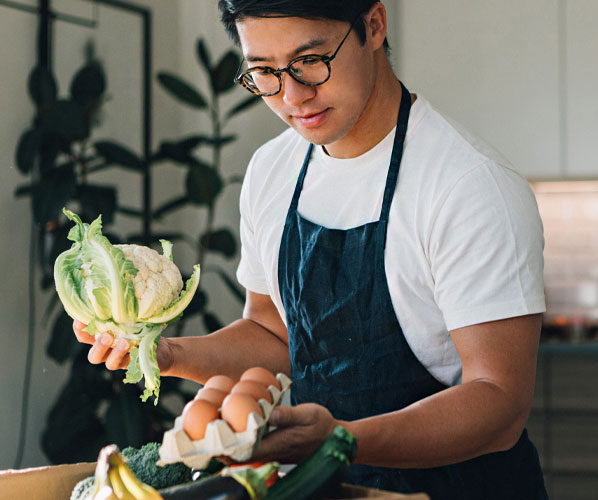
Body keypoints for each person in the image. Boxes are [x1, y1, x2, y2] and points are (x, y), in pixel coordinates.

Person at [73, 1, 547, 498]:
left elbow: (499, 406)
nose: (294, 96)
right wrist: (167, 353)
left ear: (373, 25)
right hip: (327, 486)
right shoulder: (271, 170)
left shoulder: (468, 186)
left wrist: (340, 441)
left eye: (311, 61)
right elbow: (273, 335)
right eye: (264, 72)